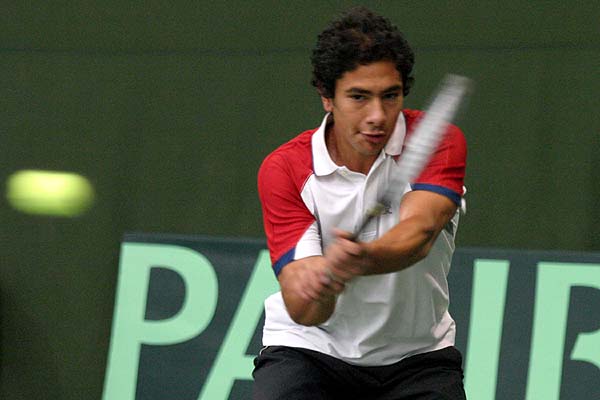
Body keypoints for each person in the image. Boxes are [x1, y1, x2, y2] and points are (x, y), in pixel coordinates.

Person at [253, 6, 467, 400]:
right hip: (311, 351)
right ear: (327, 97)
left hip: (417, 358)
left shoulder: (437, 140)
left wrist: (362, 259)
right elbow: (304, 311)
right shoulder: (285, 168)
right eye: (358, 97)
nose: (377, 116)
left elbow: (419, 233)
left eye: (390, 96)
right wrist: (324, 284)